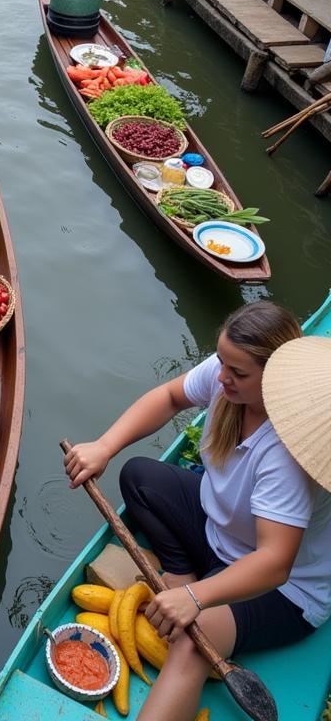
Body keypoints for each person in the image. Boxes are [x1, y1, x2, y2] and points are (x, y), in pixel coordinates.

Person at [64, 304, 330, 721]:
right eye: (222, 363)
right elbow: (170, 396)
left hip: (283, 587)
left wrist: (195, 599)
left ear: (275, 376)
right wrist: (104, 446)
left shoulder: (285, 455)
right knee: (139, 477)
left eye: (237, 373)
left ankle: (192, 591)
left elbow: (275, 563)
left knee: (193, 641)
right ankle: (183, 569)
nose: (222, 377)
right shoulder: (232, 378)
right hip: (221, 534)